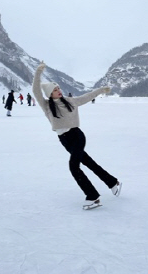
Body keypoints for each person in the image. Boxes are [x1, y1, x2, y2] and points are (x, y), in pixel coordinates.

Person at [32, 62, 121, 210]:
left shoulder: (70, 101)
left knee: (74, 167)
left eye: (58, 88)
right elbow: (35, 90)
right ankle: (112, 182)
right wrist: (38, 73)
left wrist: (100, 90)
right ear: (50, 94)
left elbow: (87, 97)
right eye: (55, 90)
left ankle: (92, 196)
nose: (58, 90)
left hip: (77, 136)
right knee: (89, 163)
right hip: (64, 140)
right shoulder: (47, 105)